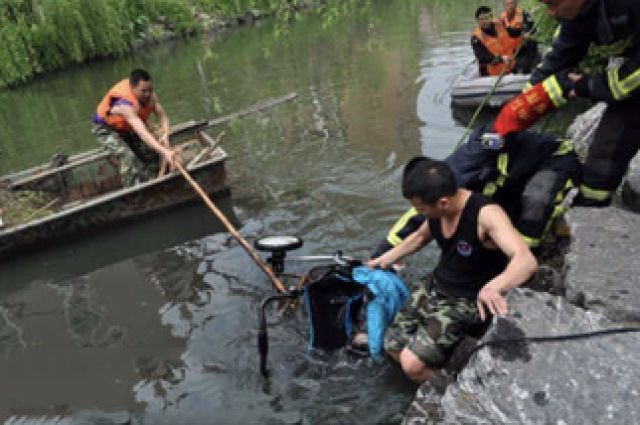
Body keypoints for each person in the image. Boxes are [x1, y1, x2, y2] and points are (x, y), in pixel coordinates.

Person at [367, 158, 538, 383]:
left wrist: (495, 287)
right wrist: (382, 261)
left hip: (466, 299)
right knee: (391, 344)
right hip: (437, 285)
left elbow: (526, 260)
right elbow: (418, 238)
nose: (420, 213)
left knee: (411, 365)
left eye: (422, 209)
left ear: (444, 202)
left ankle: (460, 391)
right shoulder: (436, 213)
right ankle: (436, 369)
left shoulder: (485, 215)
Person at [371, 126, 581, 257]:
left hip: (551, 160)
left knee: (535, 202)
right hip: (509, 173)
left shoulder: (511, 150)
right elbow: (418, 216)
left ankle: (529, 256)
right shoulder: (460, 167)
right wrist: (383, 252)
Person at [529, 0, 640, 207]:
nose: (551, 12)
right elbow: (561, 55)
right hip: (631, 83)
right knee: (603, 159)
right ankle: (591, 210)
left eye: (553, 4)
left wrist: (590, 86)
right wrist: (521, 104)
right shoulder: (579, 12)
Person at [93, 69, 181, 187]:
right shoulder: (124, 104)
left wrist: (165, 134)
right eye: (143, 91)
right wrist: (165, 151)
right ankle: (132, 192)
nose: (147, 94)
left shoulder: (150, 97)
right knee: (128, 159)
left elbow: (163, 117)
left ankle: (155, 182)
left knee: (153, 155)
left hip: (128, 127)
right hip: (108, 129)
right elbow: (142, 132)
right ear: (132, 88)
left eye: (150, 90)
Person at [472, 6, 516, 76]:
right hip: (492, 74)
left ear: (491, 17)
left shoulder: (500, 24)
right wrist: (501, 59)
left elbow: (513, 33)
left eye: (486, 18)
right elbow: (482, 58)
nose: (484, 21)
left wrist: (523, 33)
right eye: (481, 19)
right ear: (477, 21)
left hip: (510, 65)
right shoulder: (476, 38)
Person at [500, 0, 539, 73]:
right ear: (504, 5)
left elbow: (533, 30)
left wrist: (527, 33)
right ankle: (510, 69)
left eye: (512, 3)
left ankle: (527, 69)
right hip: (511, 45)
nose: (510, 6)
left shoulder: (525, 14)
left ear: (516, 3)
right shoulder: (501, 18)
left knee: (532, 42)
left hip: (523, 44)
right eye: (508, 4)